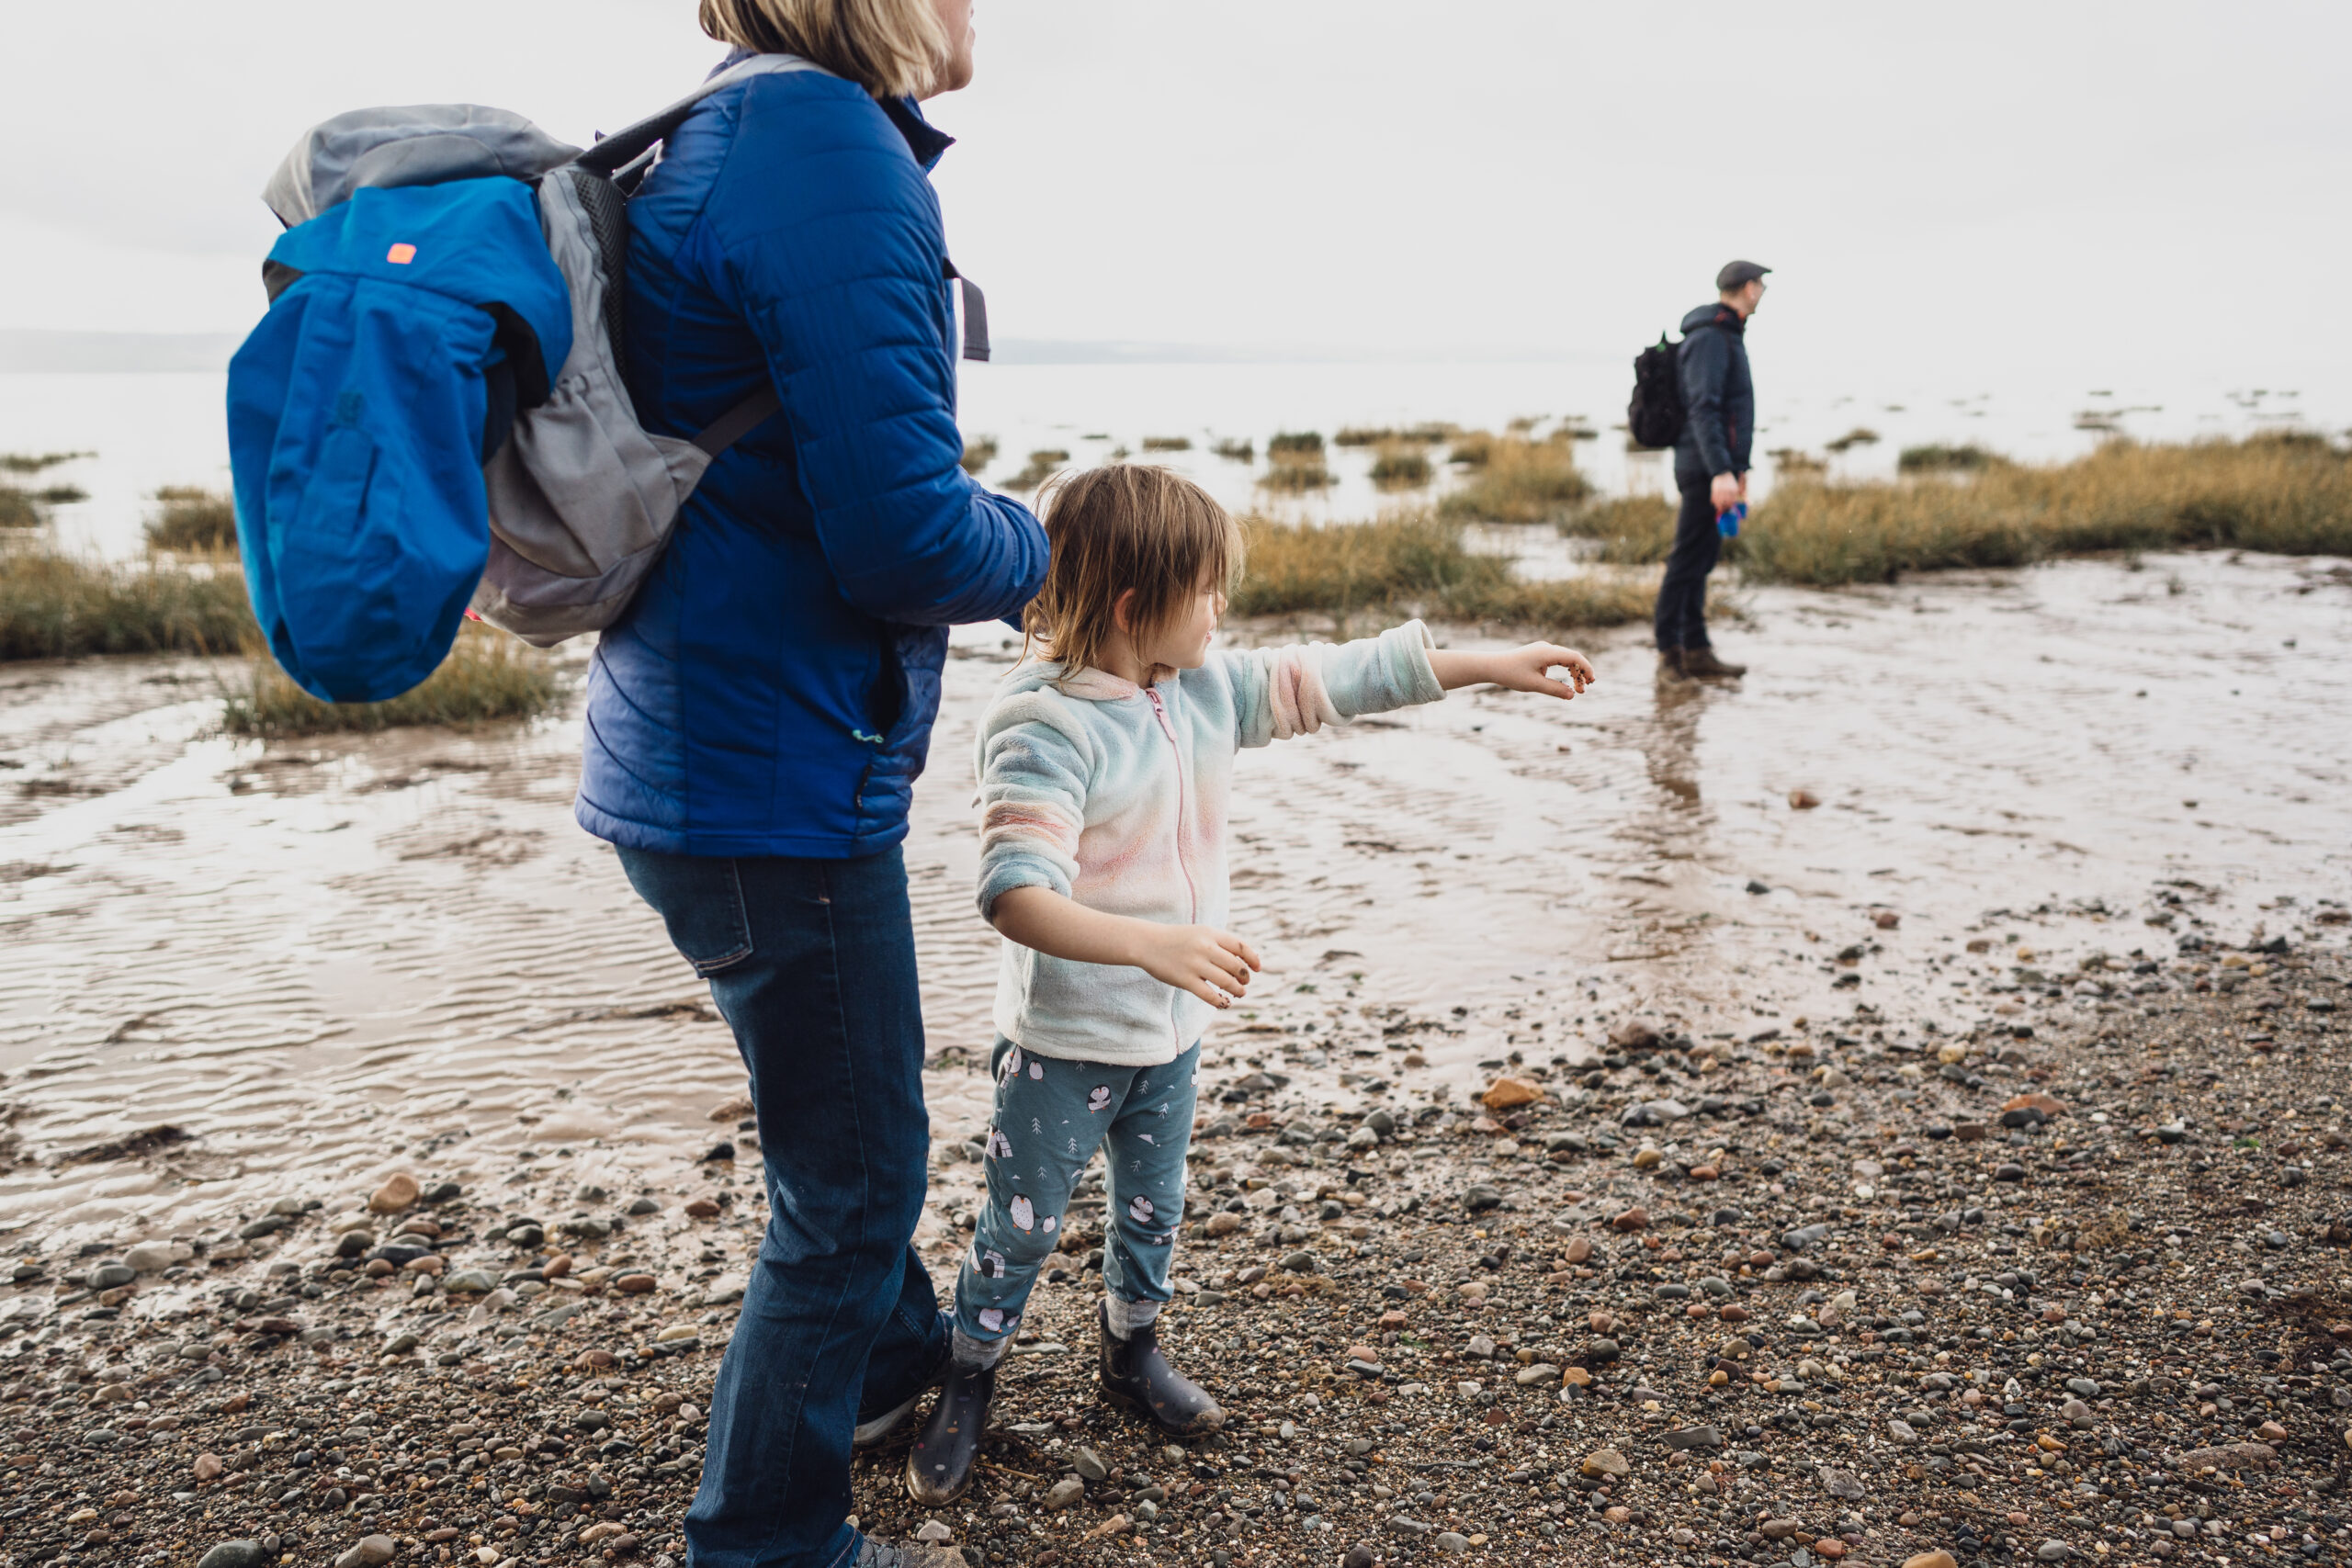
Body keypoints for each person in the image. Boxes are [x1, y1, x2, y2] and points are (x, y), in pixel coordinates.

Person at [574, 2, 1050, 1565]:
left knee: (840, 1117)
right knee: (853, 1180)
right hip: (765, 776)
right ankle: (767, 1539)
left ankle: (892, 1363)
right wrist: (1048, 551)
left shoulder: (733, 127)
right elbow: (904, 535)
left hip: (708, 750)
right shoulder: (826, 149)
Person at [900, 465, 1598, 1504]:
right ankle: (969, 1376)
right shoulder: (1042, 723)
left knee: (1154, 1210)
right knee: (1022, 1226)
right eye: (1207, 590)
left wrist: (1490, 663)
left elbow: (1340, 676)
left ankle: (1130, 1353)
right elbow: (1014, 894)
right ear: (1134, 607)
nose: (1221, 608)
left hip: (1171, 1036)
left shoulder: (1203, 690)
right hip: (1063, 1044)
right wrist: (1149, 945)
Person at [1657, 259, 1769, 680]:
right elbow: (1704, 409)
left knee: (1701, 560)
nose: (1763, 293)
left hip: (1715, 467)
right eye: (1761, 285)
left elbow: (1732, 414)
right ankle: (1669, 655)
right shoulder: (1710, 337)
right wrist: (1721, 471)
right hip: (1703, 468)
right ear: (1749, 287)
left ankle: (1697, 649)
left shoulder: (1727, 333)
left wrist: (1738, 469)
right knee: (1686, 559)